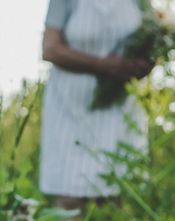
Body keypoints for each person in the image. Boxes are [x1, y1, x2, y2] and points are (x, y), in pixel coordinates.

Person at [40, 0, 152, 210]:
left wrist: (141, 66)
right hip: (69, 104)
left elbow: (149, 41)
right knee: (69, 194)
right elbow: (51, 49)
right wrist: (104, 66)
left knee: (117, 193)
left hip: (120, 103)